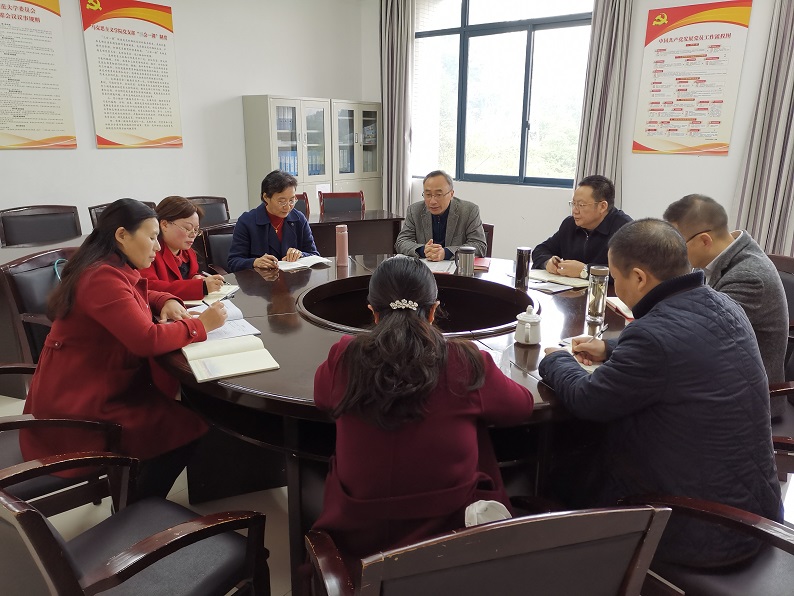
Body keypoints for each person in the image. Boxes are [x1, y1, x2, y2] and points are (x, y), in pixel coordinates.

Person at [539, 219, 781, 568]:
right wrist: (610, 348)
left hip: (701, 528)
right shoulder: (725, 305)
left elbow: (588, 399)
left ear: (639, 277)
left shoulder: (652, 338)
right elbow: (685, 345)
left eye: (616, 278)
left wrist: (556, 360)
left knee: (562, 464)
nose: (615, 286)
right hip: (756, 515)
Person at [312, 256, 534, 560]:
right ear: (432, 311)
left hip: (358, 549)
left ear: (373, 312)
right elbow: (521, 406)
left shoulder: (344, 357)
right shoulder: (465, 361)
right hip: (449, 548)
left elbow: (322, 398)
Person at [21, 199, 228, 500]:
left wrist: (164, 300)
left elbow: (139, 290)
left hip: (94, 383)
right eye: (152, 237)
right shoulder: (101, 276)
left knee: (183, 418)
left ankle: (135, 494)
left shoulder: (108, 264)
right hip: (82, 402)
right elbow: (146, 339)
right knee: (189, 427)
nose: (157, 246)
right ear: (121, 235)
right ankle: (135, 507)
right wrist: (201, 325)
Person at [663, 194, 788, 415]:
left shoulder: (748, 277)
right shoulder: (717, 258)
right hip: (720, 373)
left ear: (704, 240)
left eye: (678, 245)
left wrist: (615, 347)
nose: (674, 253)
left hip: (747, 400)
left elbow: (695, 337)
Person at [532, 175, 632, 278]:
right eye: (574, 204)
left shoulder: (625, 229)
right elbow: (540, 250)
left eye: (581, 205)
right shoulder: (570, 224)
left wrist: (585, 270)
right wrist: (548, 262)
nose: (574, 211)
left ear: (602, 206)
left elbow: (628, 271)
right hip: (567, 287)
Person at [227, 170, 319, 272]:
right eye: (282, 201)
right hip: (259, 280)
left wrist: (301, 255)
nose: (287, 207)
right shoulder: (247, 222)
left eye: (292, 200)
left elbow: (314, 255)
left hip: (293, 279)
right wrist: (254, 262)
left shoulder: (299, 219)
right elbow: (233, 262)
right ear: (266, 197)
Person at [140, 195, 226, 300]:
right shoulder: (149, 252)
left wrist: (196, 278)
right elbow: (149, 287)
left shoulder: (188, 252)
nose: (193, 235)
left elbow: (189, 276)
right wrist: (200, 286)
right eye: (187, 228)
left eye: (196, 230)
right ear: (164, 224)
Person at [394, 170, 487, 261]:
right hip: (424, 268)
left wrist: (446, 253)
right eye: (428, 194)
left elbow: (479, 245)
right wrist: (423, 250)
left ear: (451, 194)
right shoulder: (414, 210)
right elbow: (401, 242)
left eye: (438, 195)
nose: (432, 201)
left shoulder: (469, 211)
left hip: (456, 268)